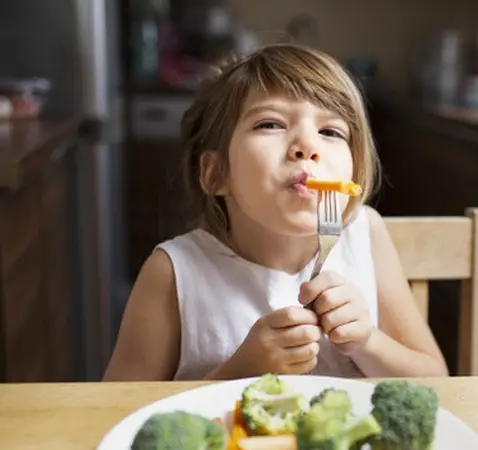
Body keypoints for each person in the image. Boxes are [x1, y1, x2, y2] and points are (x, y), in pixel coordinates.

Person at [102, 44, 448, 381]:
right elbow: (114, 411)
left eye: (330, 131)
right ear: (215, 173)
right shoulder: (174, 273)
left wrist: (367, 341)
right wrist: (238, 373)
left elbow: (437, 378)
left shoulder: (364, 233)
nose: (308, 147)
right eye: (270, 124)